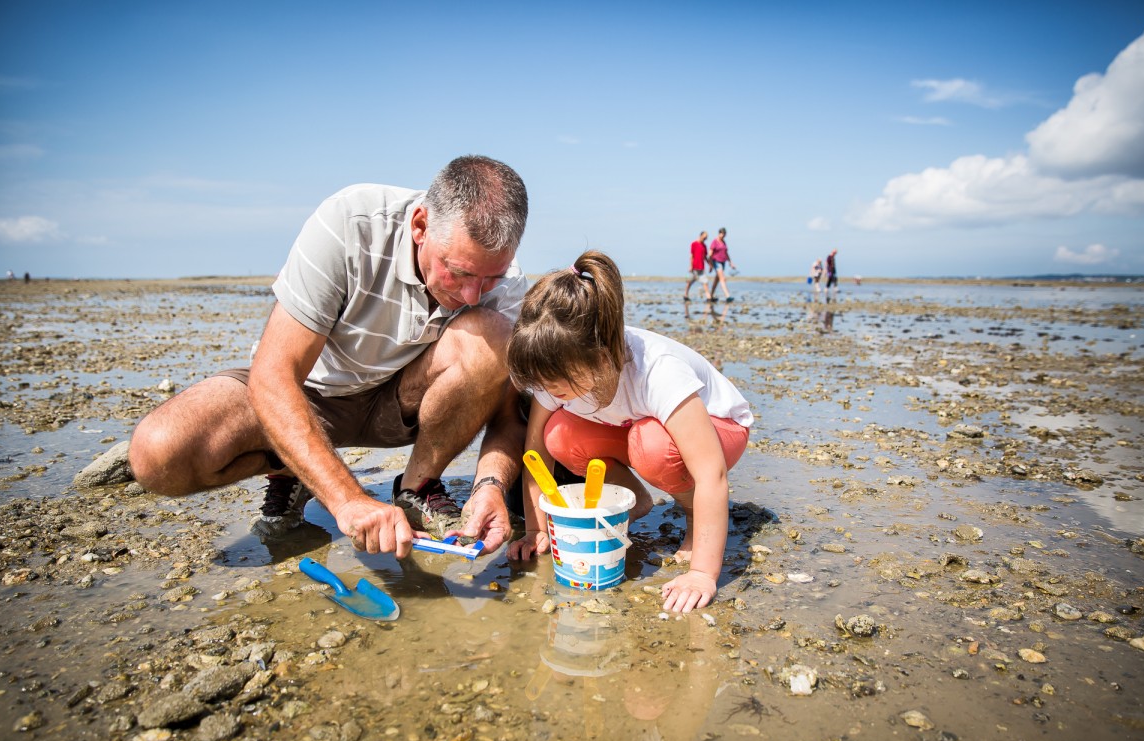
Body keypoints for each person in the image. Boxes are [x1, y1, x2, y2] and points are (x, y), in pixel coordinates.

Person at [128, 155, 529, 558]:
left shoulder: (507, 283)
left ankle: (418, 486)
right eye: (458, 272)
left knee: (494, 333)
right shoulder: (350, 224)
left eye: (490, 277)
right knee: (158, 453)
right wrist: (346, 499)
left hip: (399, 402)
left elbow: (510, 414)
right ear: (421, 226)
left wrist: (489, 486)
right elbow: (274, 375)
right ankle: (293, 469)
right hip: (308, 394)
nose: (473, 295)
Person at [505, 250, 753, 613]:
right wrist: (536, 529)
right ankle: (633, 499)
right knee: (557, 434)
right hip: (633, 425)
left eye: (555, 381)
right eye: (539, 380)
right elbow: (536, 454)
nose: (545, 388)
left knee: (651, 445)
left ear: (600, 355)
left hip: (720, 428)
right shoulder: (553, 369)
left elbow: (711, 473)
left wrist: (703, 573)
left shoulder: (657, 370)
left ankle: (693, 515)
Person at [684, 231, 712, 302]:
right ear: (701, 235)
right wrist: (691, 266)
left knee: (705, 282)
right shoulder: (694, 244)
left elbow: (705, 257)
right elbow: (691, 256)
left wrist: (709, 265)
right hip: (694, 267)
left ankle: (708, 297)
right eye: (704, 237)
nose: (705, 239)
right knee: (690, 282)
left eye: (706, 238)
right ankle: (686, 295)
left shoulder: (704, 246)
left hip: (701, 267)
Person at [708, 228, 735, 302]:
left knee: (716, 280)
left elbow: (726, 253)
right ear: (719, 233)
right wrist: (710, 265)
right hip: (716, 262)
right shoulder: (714, 241)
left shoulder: (724, 242)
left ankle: (711, 296)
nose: (723, 236)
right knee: (722, 278)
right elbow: (710, 254)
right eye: (722, 234)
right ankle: (727, 296)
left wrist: (730, 262)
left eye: (724, 234)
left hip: (723, 262)